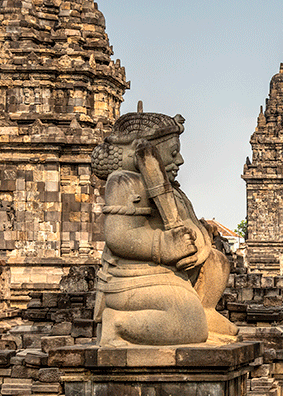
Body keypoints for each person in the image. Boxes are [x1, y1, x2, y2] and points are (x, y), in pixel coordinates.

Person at [91, 108, 237, 346]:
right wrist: (164, 245)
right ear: (145, 153)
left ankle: (205, 310)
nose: (179, 160)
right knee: (187, 322)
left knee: (218, 261)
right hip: (133, 277)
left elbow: (185, 222)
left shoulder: (172, 190)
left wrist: (200, 236)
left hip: (173, 273)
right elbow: (118, 236)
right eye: (173, 153)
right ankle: (116, 323)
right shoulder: (124, 182)